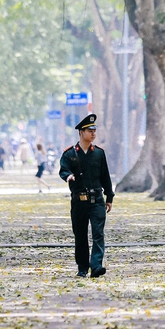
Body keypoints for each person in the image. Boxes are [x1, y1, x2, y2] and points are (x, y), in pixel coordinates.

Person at [60, 113, 113, 278]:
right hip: (79, 201)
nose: (93, 134)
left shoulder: (99, 153)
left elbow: (105, 176)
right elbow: (63, 169)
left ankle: (96, 265)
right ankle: (82, 267)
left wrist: (109, 197)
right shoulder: (69, 154)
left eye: (94, 131)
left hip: (96, 200)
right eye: (90, 131)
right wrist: (68, 176)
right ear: (81, 132)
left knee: (98, 233)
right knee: (80, 235)